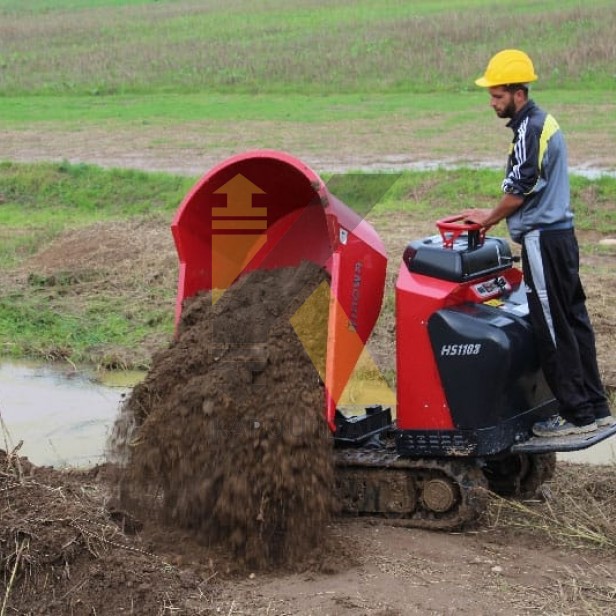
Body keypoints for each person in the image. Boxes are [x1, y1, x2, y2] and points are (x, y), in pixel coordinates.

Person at [462, 49, 612, 438]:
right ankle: (596, 408)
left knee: (551, 325)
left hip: (543, 241)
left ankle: (575, 415)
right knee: (574, 320)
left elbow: (520, 188)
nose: (492, 104)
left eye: (497, 96)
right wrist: (491, 211)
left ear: (518, 92)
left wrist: (488, 218)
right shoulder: (542, 124)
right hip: (562, 238)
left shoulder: (531, 129)